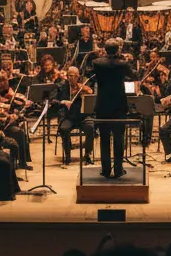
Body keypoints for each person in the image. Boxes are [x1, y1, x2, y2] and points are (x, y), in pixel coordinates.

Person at [92, 40, 134, 178]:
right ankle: (118, 169)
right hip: (119, 105)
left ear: (104, 49)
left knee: (104, 139)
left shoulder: (97, 63)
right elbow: (134, 75)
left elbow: (88, 74)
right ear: (117, 50)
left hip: (103, 105)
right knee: (118, 138)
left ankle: (105, 170)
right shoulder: (123, 64)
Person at [56, 66, 94, 165]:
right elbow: (55, 100)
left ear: (78, 76)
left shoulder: (82, 87)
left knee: (90, 127)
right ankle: (68, 154)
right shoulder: (62, 86)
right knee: (64, 129)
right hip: (69, 117)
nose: (70, 78)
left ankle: (87, 154)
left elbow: (91, 99)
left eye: (73, 76)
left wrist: (85, 94)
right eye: (68, 75)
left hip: (82, 116)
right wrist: (63, 102)